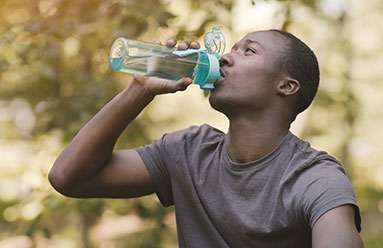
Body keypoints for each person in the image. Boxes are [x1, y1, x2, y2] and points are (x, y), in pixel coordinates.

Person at [49, 29, 364, 247]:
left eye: (249, 51)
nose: (226, 57)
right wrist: (140, 89)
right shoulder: (188, 151)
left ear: (287, 86)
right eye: (232, 48)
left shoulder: (314, 177)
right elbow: (68, 177)